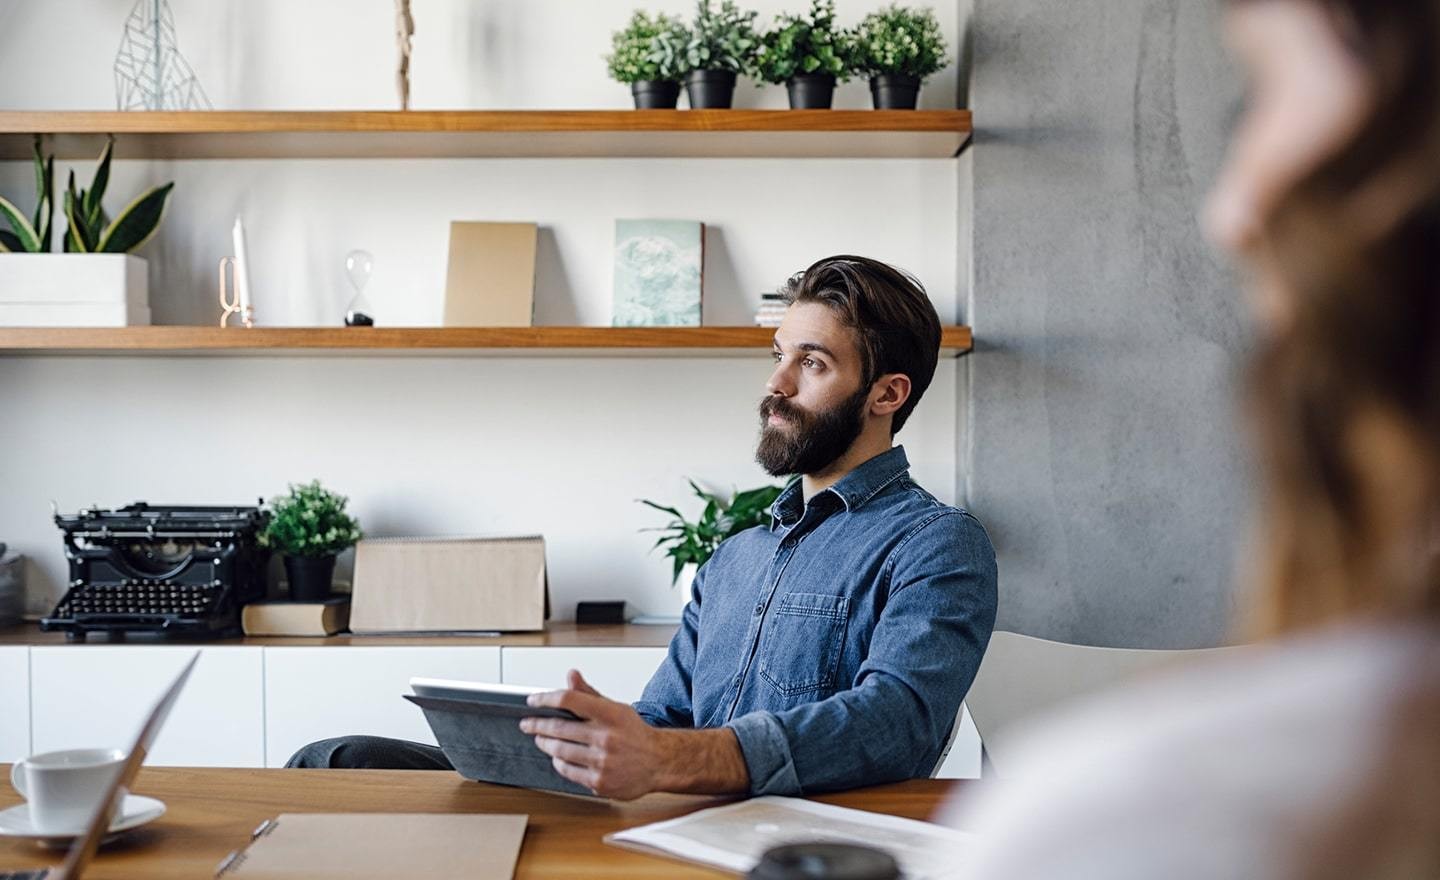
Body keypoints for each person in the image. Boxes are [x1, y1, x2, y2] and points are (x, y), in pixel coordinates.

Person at [944, 1, 1440, 877]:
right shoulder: (747, 553)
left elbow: (892, 717)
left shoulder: (1127, 822)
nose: (1229, 214)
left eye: (1267, 92)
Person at [289, 255, 998, 800]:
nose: (776, 384)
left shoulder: (936, 544)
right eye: (778, 355)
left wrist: (667, 759)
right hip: (674, 811)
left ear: (887, 393)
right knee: (337, 761)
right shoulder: (737, 557)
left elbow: (895, 721)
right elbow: (663, 717)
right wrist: (593, 737)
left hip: (796, 838)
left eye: (811, 363)